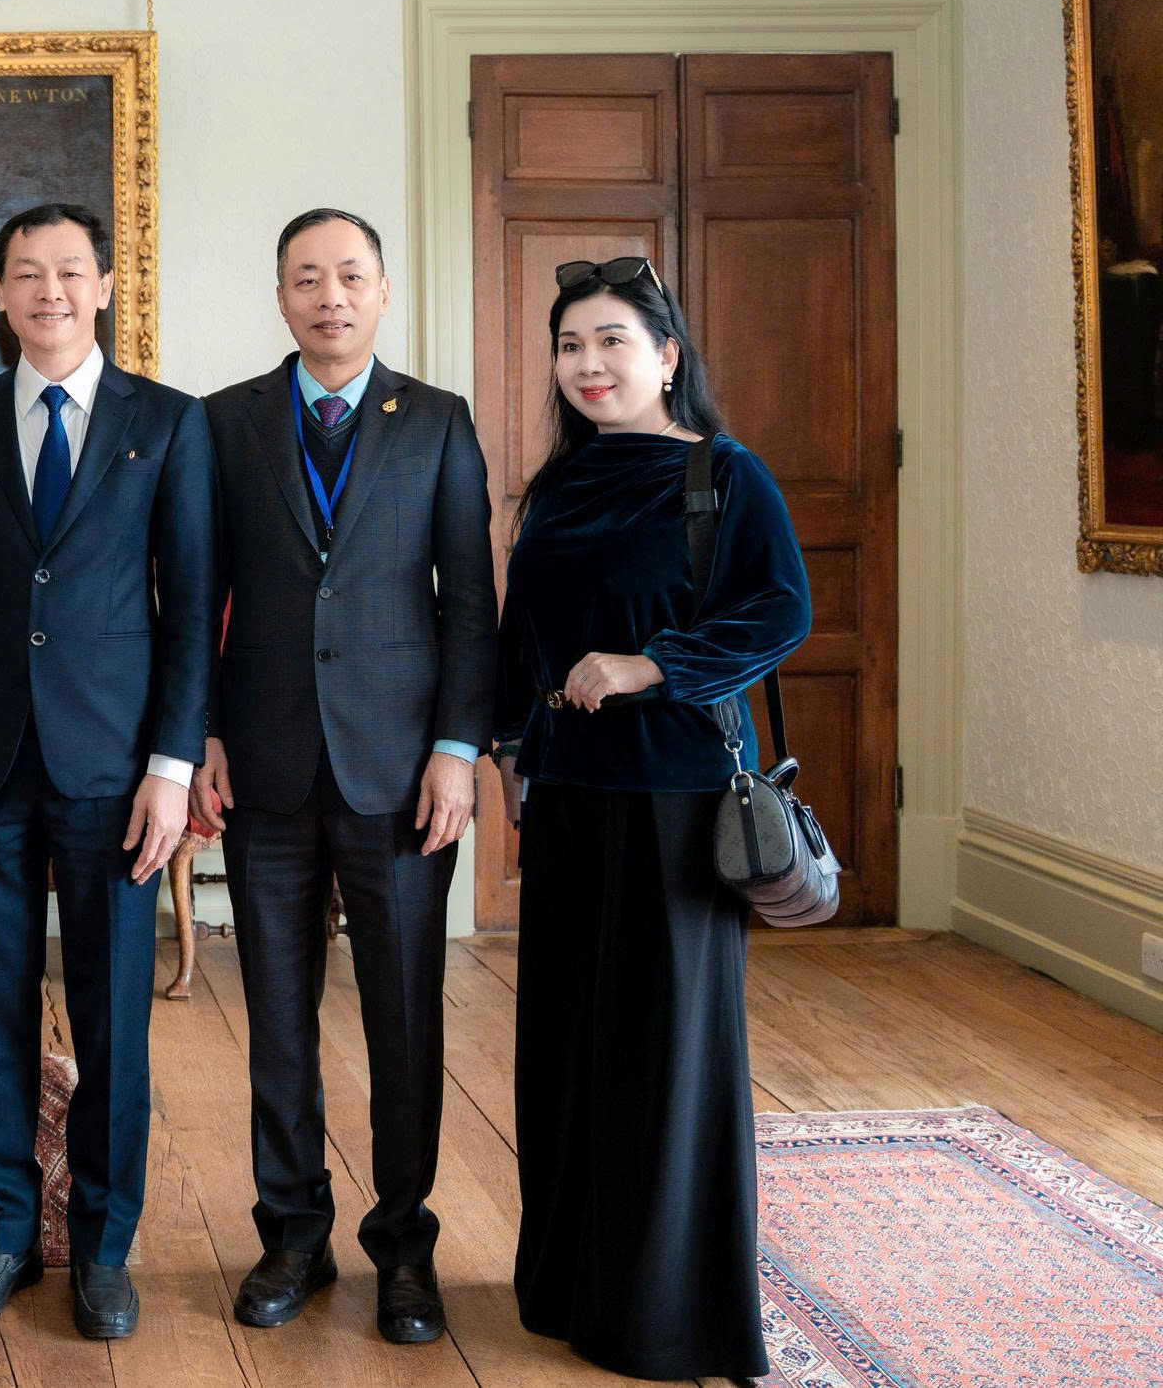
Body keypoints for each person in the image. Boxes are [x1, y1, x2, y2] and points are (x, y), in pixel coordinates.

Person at [493, 256, 809, 1381]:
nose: (588, 364)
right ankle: (568, 1283)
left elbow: (779, 612)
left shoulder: (725, 474)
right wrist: (503, 745)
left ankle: (663, 1315)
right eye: (570, 345)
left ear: (667, 357)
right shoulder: (557, 485)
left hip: (677, 801)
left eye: (612, 341)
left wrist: (649, 665)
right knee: (566, 1047)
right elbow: (522, 633)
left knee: (663, 1054)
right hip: (568, 798)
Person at [0, 201, 213, 1341]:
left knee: (112, 1016)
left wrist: (173, 763)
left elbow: (191, 608)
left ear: (104, 285)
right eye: (27, 273)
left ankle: (101, 1247)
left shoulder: (167, 422)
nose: (49, 291)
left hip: (115, 769)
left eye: (70, 271)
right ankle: (1, 1235)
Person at [192, 208, 494, 1343]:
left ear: (381, 292)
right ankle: (292, 1235)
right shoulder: (226, 421)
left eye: (350, 276)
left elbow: (470, 602)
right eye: (307, 278)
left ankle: (404, 1247)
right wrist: (202, 733)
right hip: (264, 764)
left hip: (402, 770)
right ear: (280, 296)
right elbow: (195, 596)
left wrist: (457, 750)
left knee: (404, 1019)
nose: (330, 296)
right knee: (277, 1019)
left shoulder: (438, 420)